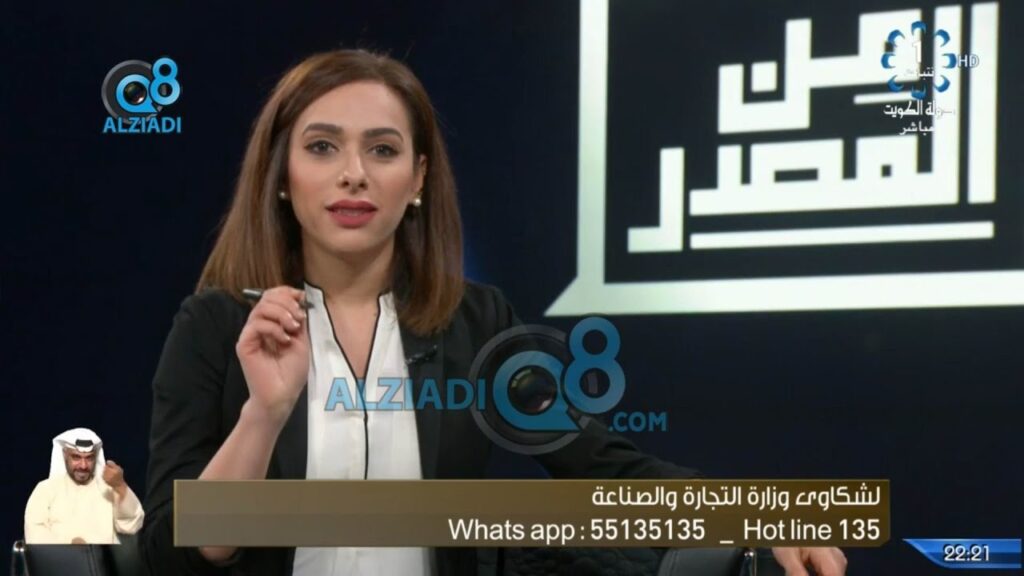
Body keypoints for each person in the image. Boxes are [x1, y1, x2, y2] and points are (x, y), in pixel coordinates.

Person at [141, 49, 847, 576]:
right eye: (322, 147)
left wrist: (757, 515)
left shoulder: (476, 323)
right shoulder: (214, 327)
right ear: (282, 176)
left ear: (418, 179)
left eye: (382, 150)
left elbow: (600, 464)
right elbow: (175, 552)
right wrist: (263, 415)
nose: (353, 173)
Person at [24, 427, 144, 544]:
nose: (83, 466)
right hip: (58, 558)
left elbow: (131, 525)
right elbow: (34, 535)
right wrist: (69, 548)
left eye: (89, 458)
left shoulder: (108, 489)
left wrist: (120, 486)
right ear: (65, 455)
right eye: (76, 457)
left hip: (103, 557)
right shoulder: (45, 489)